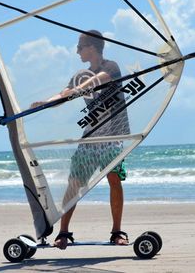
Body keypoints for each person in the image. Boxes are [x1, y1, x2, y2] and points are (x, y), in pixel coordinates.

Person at [30, 30, 130, 249]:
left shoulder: (111, 67)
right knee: (74, 183)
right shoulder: (79, 75)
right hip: (90, 137)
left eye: (80, 47)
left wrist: (77, 89)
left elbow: (97, 80)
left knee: (114, 178)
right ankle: (63, 232)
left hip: (113, 136)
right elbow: (64, 94)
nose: (77, 51)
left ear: (92, 47)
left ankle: (117, 232)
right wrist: (46, 102)